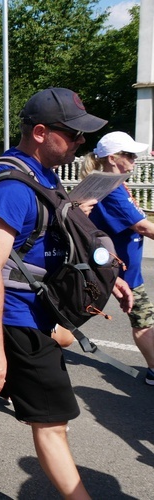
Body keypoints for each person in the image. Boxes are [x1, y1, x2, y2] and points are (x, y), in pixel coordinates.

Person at [0, 88, 133, 499]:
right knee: (53, 426)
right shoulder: (11, 187)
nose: (81, 143)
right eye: (73, 134)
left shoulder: (41, 173)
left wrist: (108, 274)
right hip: (20, 319)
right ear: (40, 132)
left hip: (31, 312)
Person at [81, 132, 154, 386]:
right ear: (113, 158)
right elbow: (143, 227)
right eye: (130, 155)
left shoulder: (116, 184)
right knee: (143, 321)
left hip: (124, 270)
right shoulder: (111, 189)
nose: (135, 159)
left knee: (143, 319)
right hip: (116, 272)